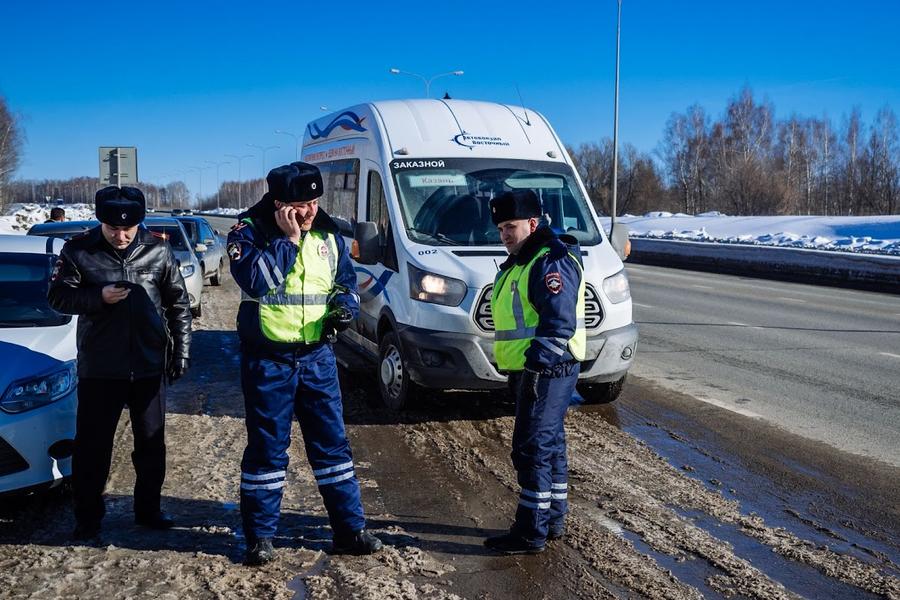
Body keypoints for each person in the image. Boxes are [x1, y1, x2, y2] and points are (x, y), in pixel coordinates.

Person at [227, 162, 382, 565]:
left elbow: (345, 283)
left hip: (317, 358)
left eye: (315, 202)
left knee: (333, 447)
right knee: (267, 451)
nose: (311, 211)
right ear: (279, 205)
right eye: (301, 205)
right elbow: (257, 282)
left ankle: (349, 530)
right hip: (269, 360)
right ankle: (260, 537)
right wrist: (289, 239)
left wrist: (344, 308)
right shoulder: (248, 230)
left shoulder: (329, 232)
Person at [48, 186, 192, 540]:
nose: (122, 235)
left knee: (150, 446)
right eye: (114, 229)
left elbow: (178, 304)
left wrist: (181, 351)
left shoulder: (158, 250)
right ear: (101, 221)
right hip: (101, 368)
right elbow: (57, 296)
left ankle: (148, 510)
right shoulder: (79, 250)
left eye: (130, 229)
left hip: (147, 366)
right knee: (93, 448)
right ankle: (88, 518)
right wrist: (98, 296)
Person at [485, 189, 586, 555]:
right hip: (537, 369)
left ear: (532, 223)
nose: (505, 235)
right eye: (500, 229)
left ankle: (530, 532)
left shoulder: (548, 261)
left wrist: (535, 370)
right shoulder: (524, 261)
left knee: (532, 449)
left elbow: (558, 323)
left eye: (510, 226)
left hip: (547, 368)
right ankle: (552, 520)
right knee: (550, 446)